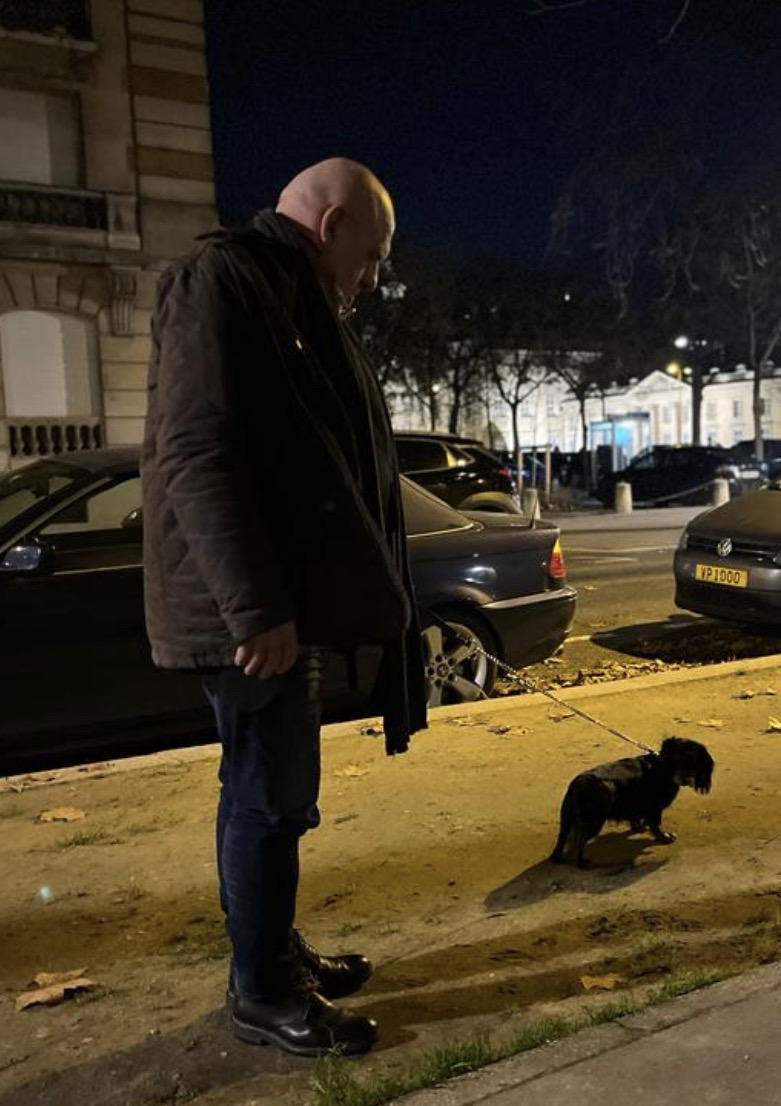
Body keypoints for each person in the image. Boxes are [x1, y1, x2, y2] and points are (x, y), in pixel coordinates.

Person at [141, 158, 427, 1058]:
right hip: (253, 621)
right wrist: (254, 608)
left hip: (275, 611)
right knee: (269, 799)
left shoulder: (281, 293)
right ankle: (262, 989)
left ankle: (272, 952)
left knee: (269, 794)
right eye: (370, 258)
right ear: (332, 221)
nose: (371, 281)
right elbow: (196, 452)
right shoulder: (223, 280)